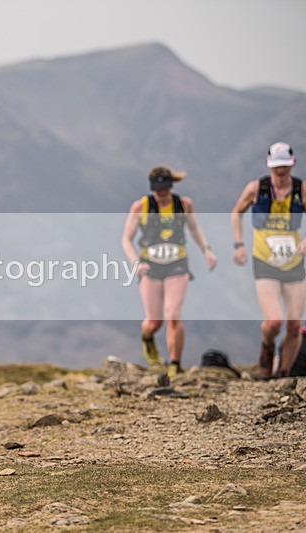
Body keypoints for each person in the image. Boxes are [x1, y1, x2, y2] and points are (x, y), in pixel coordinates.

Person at [122, 166, 217, 376]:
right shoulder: (140, 207)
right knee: (154, 322)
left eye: (165, 188)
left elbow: (193, 228)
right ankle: (147, 338)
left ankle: (175, 363)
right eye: (158, 189)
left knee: (173, 314)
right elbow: (126, 239)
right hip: (150, 266)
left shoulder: (183, 204)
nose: (162, 193)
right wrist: (136, 262)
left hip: (177, 264)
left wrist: (206, 250)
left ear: (171, 186)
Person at [231, 142, 305, 378]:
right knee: (274, 321)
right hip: (265, 260)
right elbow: (236, 212)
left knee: (294, 325)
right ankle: (267, 344)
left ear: (291, 164)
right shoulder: (256, 188)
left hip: (293, 261)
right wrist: (239, 244)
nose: (280, 172)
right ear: (268, 164)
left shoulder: (300, 189)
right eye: (276, 167)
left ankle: (282, 373)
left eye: (284, 166)